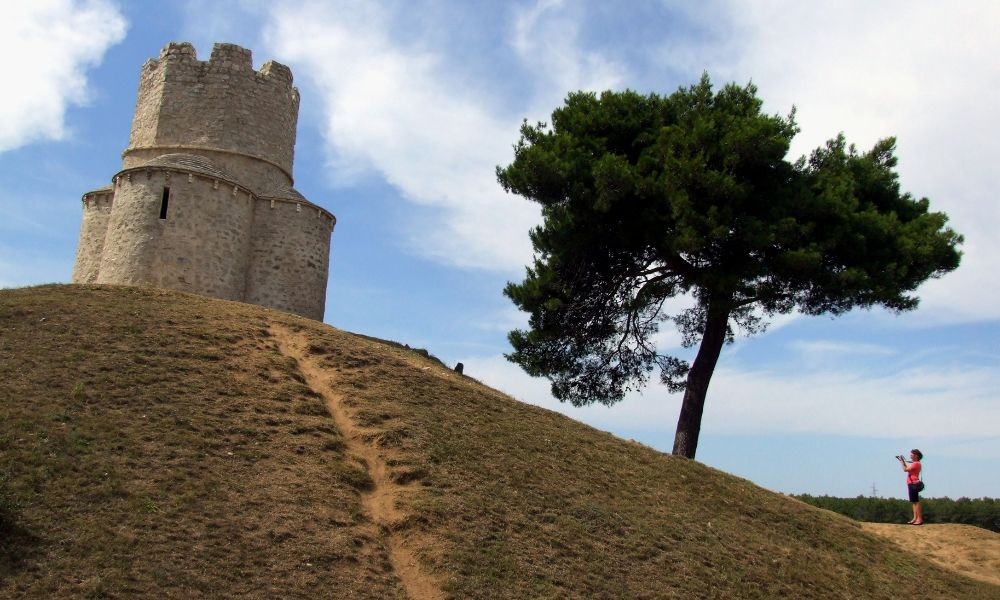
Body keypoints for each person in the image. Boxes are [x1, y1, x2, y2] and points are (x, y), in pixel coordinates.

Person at [898, 449, 924, 525]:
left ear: (916, 456)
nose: (910, 455)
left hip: (913, 483)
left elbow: (905, 469)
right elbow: (908, 469)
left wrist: (901, 462)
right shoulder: (915, 463)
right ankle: (915, 518)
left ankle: (919, 519)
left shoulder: (916, 463)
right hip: (911, 483)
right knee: (913, 501)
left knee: (916, 501)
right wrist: (902, 461)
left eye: (912, 454)